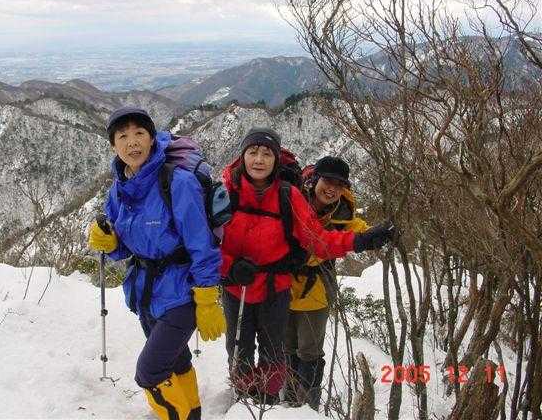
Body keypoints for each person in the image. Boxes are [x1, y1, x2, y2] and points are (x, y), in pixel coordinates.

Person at [220, 128, 395, 405]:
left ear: (276, 159)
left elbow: (318, 240)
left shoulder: (289, 196)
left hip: (275, 289)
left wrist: (361, 240)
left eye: (267, 154)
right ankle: (244, 401)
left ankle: (268, 402)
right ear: (242, 156)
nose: (259, 159)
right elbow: (205, 242)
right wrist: (229, 267)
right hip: (236, 288)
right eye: (252, 152)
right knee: (239, 350)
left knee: (273, 353)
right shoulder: (225, 193)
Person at [87, 107, 226, 420]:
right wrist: (110, 243)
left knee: (149, 372)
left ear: (152, 139)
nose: (132, 142)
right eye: (123, 136)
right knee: (176, 361)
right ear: (113, 145)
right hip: (146, 295)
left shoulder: (178, 183)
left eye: (139, 133)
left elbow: (202, 245)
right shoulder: (118, 190)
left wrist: (207, 298)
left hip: (182, 294)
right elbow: (124, 247)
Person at [284, 156, 370, 410]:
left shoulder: (342, 211)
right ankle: (287, 402)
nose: (332, 189)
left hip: (317, 288)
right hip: (282, 285)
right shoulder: (293, 200)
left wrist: (374, 234)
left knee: (309, 351)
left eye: (339, 185)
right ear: (314, 180)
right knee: (286, 346)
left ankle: (307, 406)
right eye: (328, 181)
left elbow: (356, 228)